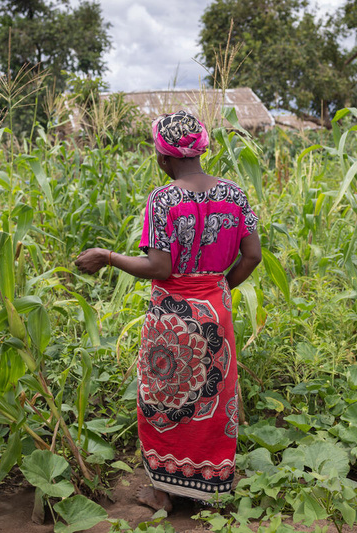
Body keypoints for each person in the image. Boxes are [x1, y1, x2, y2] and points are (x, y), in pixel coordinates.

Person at [75, 110, 261, 511]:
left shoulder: (165, 199)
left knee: (163, 398)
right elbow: (253, 255)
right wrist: (220, 287)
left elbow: (159, 268)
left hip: (173, 313)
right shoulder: (235, 194)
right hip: (216, 308)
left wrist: (107, 256)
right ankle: (208, 487)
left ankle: (163, 492)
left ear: (163, 157)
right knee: (212, 398)